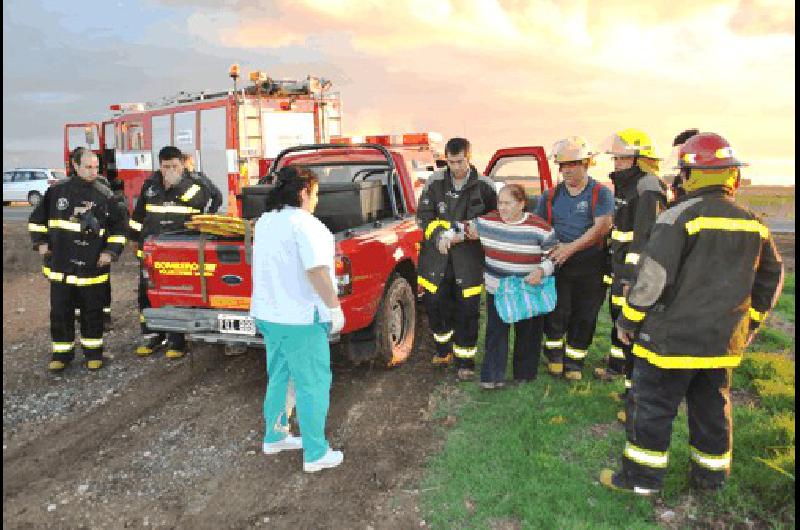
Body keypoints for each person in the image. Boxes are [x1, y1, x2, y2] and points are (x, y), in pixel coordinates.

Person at [600, 132, 784, 495]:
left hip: (670, 341)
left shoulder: (678, 217)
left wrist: (628, 321)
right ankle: (710, 479)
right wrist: (749, 326)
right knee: (711, 409)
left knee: (652, 407)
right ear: (731, 175)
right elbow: (772, 278)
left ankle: (640, 480)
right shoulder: (754, 222)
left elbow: (653, 278)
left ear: (689, 174)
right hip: (720, 343)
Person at [250, 165, 345, 473]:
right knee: (312, 383)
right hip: (300, 319)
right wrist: (334, 308)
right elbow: (316, 270)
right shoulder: (307, 225)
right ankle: (316, 452)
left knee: (280, 375)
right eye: (315, 194)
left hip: (268, 314)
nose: (316, 200)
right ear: (304, 192)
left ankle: (275, 436)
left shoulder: (265, 221)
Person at [28, 147, 127, 372]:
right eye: (87, 167)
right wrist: (40, 243)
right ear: (75, 165)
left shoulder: (105, 195)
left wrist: (109, 252)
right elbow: (36, 221)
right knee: (60, 313)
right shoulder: (57, 192)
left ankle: (93, 354)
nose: (93, 171)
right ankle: (61, 355)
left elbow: (120, 229)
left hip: (93, 268)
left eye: (96, 167)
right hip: (61, 266)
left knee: (93, 313)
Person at [593, 129, 668, 424]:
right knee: (619, 322)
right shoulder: (627, 185)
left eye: (623, 157)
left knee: (635, 332)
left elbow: (646, 238)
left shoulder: (647, 187)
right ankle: (618, 371)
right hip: (620, 267)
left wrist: (631, 279)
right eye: (617, 157)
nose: (617, 162)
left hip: (632, 274)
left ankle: (635, 400)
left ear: (639, 158)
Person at [416, 137, 498, 380]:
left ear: (469, 158)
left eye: (460, 162)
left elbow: (495, 218)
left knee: (467, 311)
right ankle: (443, 350)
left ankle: (465, 360)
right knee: (436, 305)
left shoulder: (484, 186)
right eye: (451, 162)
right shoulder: (435, 182)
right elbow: (423, 216)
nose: (455, 167)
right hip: (437, 260)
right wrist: (440, 235)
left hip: (469, 262)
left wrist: (472, 231)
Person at [535, 136, 614, 381]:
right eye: (562, 165)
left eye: (571, 164)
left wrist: (570, 248)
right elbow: (539, 226)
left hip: (591, 263)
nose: (565, 170)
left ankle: (575, 363)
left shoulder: (600, 193)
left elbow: (602, 227)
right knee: (557, 312)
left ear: (586, 163)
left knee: (585, 314)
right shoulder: (549, 196)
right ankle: (555, 357)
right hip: (558, 263)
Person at [469, 184, 557, 388]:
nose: (502, 208)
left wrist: (542, 270)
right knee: (496, 333)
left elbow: (554, 255)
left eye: (508, 203)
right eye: (500, 203)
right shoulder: (488, 221)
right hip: (497, 289)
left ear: (522, 204)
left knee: (528, 334)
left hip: (528, 289)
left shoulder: (540, 227)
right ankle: (492, 377)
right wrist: (448, 236)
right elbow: (464, 228)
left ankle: (524, 376)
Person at [129, 146, 209, 359]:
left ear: (182, 165)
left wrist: (179, 184)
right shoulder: (150, 186)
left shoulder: (193, 185)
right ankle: (152, 336)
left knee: (177, 295)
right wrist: (135, 242)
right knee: (146, 295)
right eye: (166, 166)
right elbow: (138, 218)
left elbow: (200, 202)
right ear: (160, 165)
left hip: (179, 253)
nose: (170, 170)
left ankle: (177, 341)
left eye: (174, 166)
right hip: (151, 253)